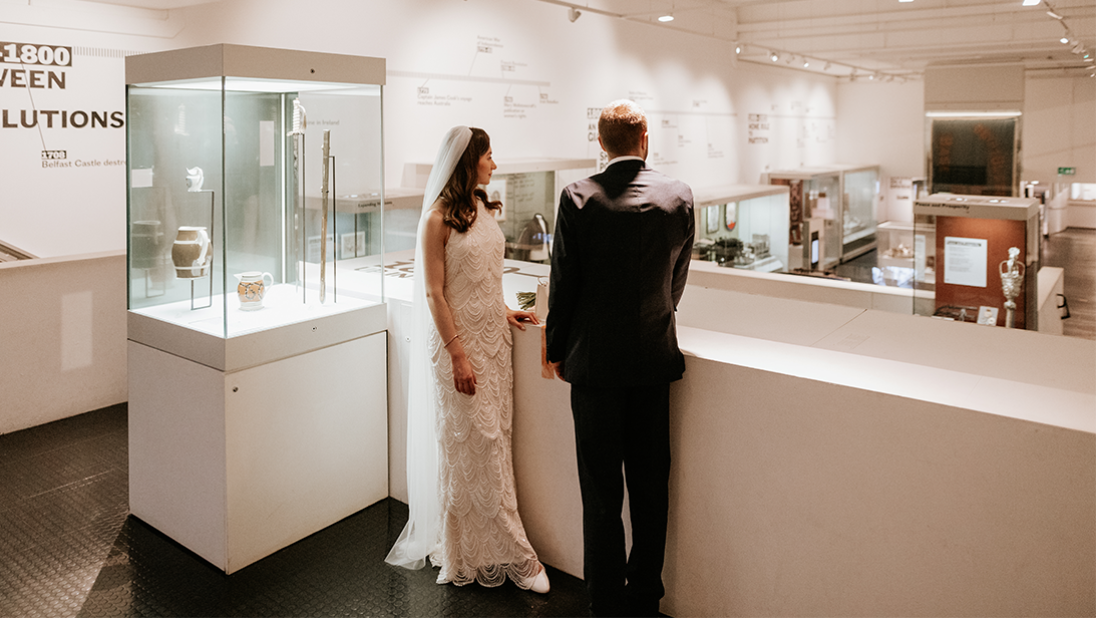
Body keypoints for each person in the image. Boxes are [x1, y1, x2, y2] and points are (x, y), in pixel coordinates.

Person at [385, 126, 550, 594]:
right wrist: (458, 354)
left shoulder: (481, 208)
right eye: (490, 156)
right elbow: (436, 295)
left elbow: (480, 277)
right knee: (473, 447)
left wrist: (502, 310)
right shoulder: (436, 219)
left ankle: (484, 552)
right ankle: (516, 556)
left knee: (496, 445)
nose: (495, 165)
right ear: (468, 160)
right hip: (459, 349)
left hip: (495, 343)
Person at [546, 101, 694, 618]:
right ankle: (645, 598)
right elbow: (676, 281)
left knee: (601, 492)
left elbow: (563, 282)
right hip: (654, 362)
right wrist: (657, 315)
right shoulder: (678, 196)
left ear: (601, 143)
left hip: (595, 368)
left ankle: (604, 602)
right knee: (652, 487)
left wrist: (555, 348)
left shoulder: (578, 196)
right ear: (645, 139)